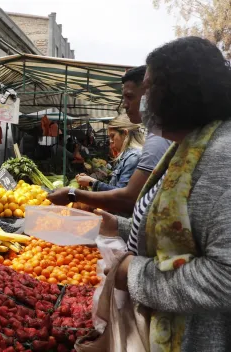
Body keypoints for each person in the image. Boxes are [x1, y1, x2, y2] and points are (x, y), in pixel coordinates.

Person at [98, 37, 231, 352]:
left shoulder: (222, 158)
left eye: (148, 87)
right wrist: (119, 226)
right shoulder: (187, 147)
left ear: (178, 91)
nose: (141, 101)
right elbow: (177, 228)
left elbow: (225, 276)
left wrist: (136, 275)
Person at [48, 66, 172, 215]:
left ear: (149, 94)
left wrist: (75, 193)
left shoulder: (154, 142)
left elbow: (128, 200)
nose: (124, 105)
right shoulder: (158, 134)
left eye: (130, 97)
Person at [77, 115, 144, 191]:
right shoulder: (128, 155)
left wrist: (92, 182)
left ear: (125, 134)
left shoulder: (133, 157)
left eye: (113, 136)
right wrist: (90, 181)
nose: (111, 141)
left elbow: (120, 194)